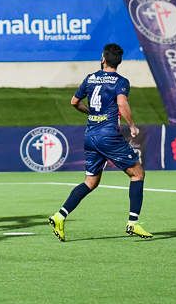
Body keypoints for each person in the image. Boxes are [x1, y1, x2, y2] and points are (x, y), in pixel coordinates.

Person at [48, 43, 152, 241]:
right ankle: (133, 223)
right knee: (138, 174)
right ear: (118, 62)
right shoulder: (121, 81)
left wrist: (92, 113)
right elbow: (122, 103)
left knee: (90, 182)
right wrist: (132, 125)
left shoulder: (90, 78)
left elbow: (73, 102)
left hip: (90, 135)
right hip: (108, 135)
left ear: (103, 59)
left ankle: (59, 216)